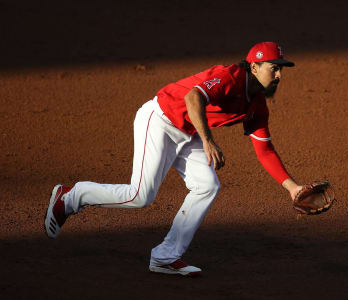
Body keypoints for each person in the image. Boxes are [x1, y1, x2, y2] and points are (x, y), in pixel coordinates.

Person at [44, 41, 303, 276]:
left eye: (281, 69)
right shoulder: (229, 76)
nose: (279, 75)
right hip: (160, 119)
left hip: (188, 131)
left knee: (207, 186)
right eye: (274, 68)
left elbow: (265, 151)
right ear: (254, 67)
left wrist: (292, 188)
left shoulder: (257, 105)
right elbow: (193, 98)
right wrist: (208, 140)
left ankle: (166, 256)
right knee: (140, 196)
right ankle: (70, 197)